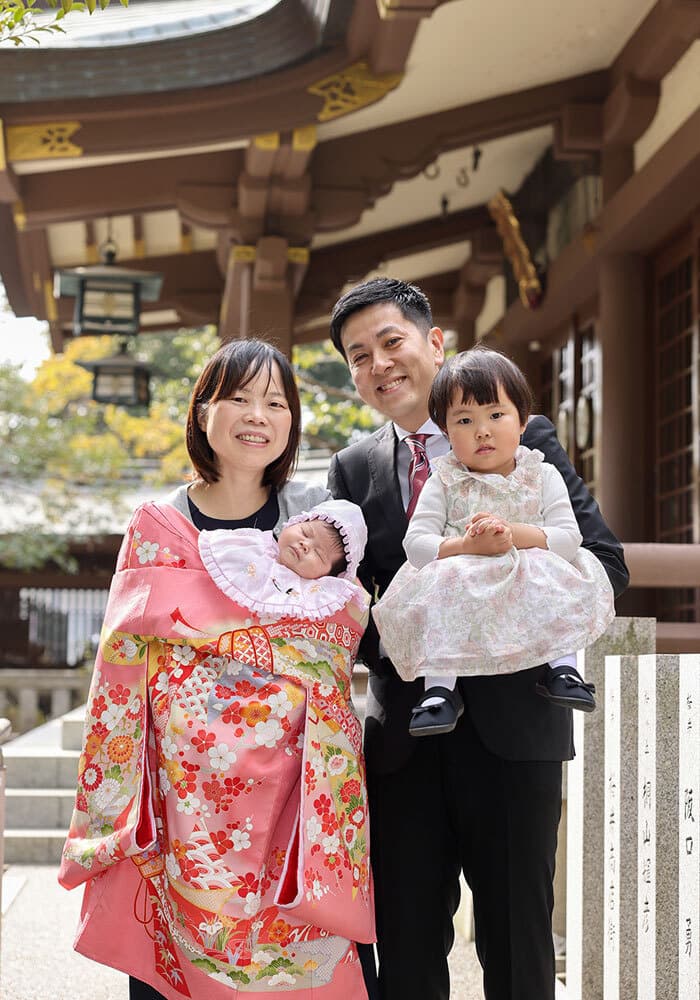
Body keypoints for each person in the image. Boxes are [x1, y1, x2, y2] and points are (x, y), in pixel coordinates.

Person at [327, 278, 628, 1000]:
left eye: (391, 341)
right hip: (405, 734)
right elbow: (348, 607)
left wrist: (497, 624)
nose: (379, 365)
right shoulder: (353, 468)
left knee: (519, 944)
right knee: (404, 945)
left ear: (435, 342)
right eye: (358, 356)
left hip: (517, 726)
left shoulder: (524, 438)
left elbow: (603, 563)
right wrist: (418, 643)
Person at [58, 339, 377, 1000]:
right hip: (180, 801)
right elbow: (123, 666)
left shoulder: (317, 526)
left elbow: (335, 639)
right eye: (238, 397)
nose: (256, 414)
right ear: (203, 411)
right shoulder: (158, 525)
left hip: (295, 798)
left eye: (275, 402)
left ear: (291, 422)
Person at [372, 346, 613, 737]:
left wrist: (515, 534)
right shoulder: (444, 479)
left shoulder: (542, 473)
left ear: (522, 421)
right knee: (442, 584)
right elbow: (416, 545)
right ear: (446, 432)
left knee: (552, 570)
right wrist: (466, 546)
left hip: (526, 570)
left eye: (496, 415)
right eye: (464, 420)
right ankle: (439, 691)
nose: (482, 430)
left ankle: (563, 668)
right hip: (463, 572)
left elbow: (569, 538)